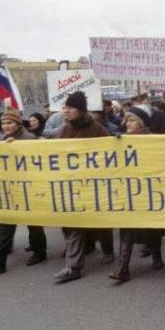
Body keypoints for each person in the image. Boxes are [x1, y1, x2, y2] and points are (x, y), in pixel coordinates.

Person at [0, 107, 47, 274]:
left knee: (34, 224)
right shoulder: (4, 138)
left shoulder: (28, 139)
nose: (6, 126)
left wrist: (17, 146)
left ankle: (40, 252)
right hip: (10, 190)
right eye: (3, 123)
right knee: (6, 225)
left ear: (18, 124)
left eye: (9, 123)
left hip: (28, 189)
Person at [52, 91, 110, 283]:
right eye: (64, 108)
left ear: (80, 110)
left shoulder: (97, 129)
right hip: (72, 186)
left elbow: (109, 153)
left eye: (69, 108)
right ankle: (73, 266)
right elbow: (49, 150)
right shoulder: (63, 130)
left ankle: (107, 250)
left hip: (94, 185)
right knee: (74, 222)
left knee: (101, 222)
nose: (65, 111)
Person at [108, 106, 165, 282]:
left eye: (132, 120)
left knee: (152, 228)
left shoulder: (153, 140)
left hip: (149, 190)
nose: (127, 123)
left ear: (141, 122)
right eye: (126, 120)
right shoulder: (121, 139)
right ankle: (123, 267)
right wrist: (115, 143)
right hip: (129, 191)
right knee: (126, 227)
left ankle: (157, 256)